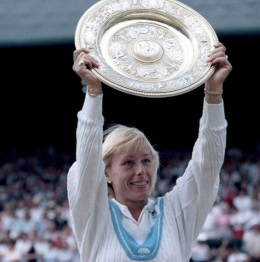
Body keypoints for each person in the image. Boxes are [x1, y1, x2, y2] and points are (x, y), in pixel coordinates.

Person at [67, 42, 232, 261]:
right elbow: (88, 160)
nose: (140, 170)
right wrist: (93, 92)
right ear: (106, 172)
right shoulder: (93, 215)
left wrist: (213, 92)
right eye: (128, 162)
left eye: (146, 161)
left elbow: (208, 163)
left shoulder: (176, 212)